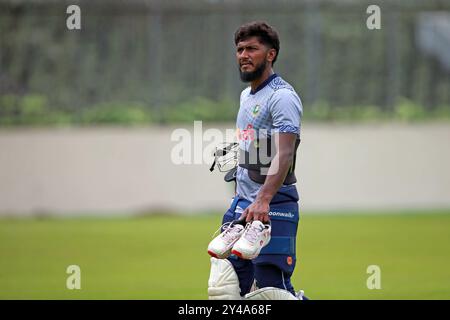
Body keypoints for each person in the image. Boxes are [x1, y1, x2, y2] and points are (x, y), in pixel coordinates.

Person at [207, 21, 306, 300]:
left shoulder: (282, 96)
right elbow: (257, 144)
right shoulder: (246, 95)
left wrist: (263, 198)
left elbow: (285, 152)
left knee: (270, 293)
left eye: (252, 48)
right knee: (223, 287)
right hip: (243, 206)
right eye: (240, 49)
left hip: (272, 206)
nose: (243, 55)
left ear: (271, 54)